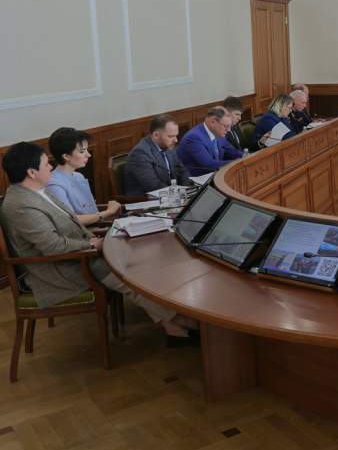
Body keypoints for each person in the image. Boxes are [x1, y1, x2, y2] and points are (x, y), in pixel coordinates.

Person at [1, 142, 196, 343]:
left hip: (79, 254)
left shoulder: (38, 190)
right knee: (127, 274)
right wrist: (92, 245)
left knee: (140, 260)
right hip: (60, 269)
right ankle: (179, 321)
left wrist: (94, 241)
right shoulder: (22, 206)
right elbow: (53, 246)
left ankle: (172, 323)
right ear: (32, 172)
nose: (50, 167)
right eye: (45, 164)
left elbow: (69, 222)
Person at [45, 128, 121, 227]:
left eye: (87, 150)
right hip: (83, 232)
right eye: (82, 151)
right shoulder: (54, 184)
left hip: (97, 225)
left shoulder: (79, 176)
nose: (88, 155)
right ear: (66, 156)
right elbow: (71, 220)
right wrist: (108, 212)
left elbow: (90, 209)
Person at [123, 115, 192, 196]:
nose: (176, 140)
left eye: (176, 135)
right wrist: (180, 194)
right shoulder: (139, 154)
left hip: (172, 195)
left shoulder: (168, 146)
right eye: (171, 136)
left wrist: (188, 190)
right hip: (148, 200)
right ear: (156, 135)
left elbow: (182, 171)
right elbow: (154, 186)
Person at [177, 107, 244, 176]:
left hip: (216, 174)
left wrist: (244, 156)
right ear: (213, 122)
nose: (229, 130)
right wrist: (237, 163)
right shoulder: (194, 138)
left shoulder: (218, 133)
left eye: (229, 126)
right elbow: (209, 164)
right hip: (199, 179)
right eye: (226, 126)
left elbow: (230, 150)